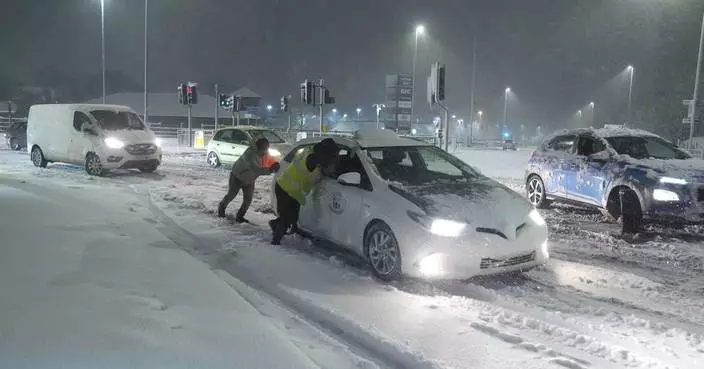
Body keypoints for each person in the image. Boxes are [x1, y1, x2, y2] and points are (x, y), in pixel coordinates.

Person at [269, 138, 338, 245]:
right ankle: (276, 241)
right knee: (286, 218)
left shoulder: (312, 151)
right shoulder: (313, 159)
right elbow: (312, 177)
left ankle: (274, 224)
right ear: (326, 152)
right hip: (285, 189)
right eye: (332, 154)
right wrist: (325, 172)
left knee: (293, 217)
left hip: (292, 190)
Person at [218, 138, 280, 223]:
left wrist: (274, 165)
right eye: (265, 149)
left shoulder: (262, 154)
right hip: (237, 177)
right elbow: (255, 169)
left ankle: (240, 217)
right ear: (260, 148)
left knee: (248, 199)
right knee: (231, 195)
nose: (266, 152)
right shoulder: (250, 154)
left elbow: (269, 162)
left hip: (250, 179)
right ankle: (221, 208)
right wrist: (270, 170)